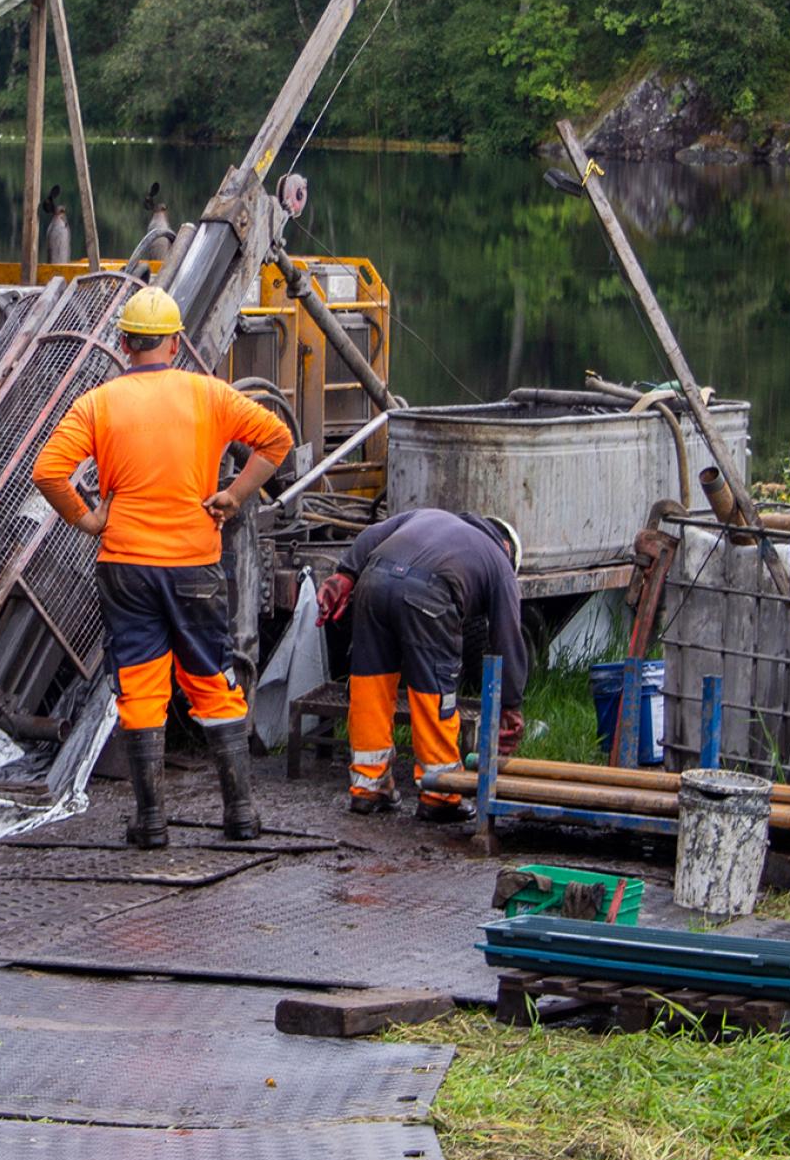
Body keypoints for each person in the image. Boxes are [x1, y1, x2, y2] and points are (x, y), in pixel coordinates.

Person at [32, 285, 292, 846]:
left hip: (125, 566)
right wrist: (235, 495)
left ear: (125, 343)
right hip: (195, 565)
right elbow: (277, 439)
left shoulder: (97, 404)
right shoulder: (210, 395)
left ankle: (151, 822)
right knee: (211, 681)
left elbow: (49, 471)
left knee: (141, 687)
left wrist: (88, 520)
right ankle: (241, 815)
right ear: (174, 343)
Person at [320, 507, 529, 822]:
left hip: (372, 583)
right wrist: (510, 704)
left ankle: (368, 786)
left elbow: (370, 535)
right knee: (433, 688)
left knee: (371, 684)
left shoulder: (427, 515)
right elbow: (507, 637)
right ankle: (441, 793)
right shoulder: (499, 563)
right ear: (508, 549)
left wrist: (344, 574)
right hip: (431, 594)